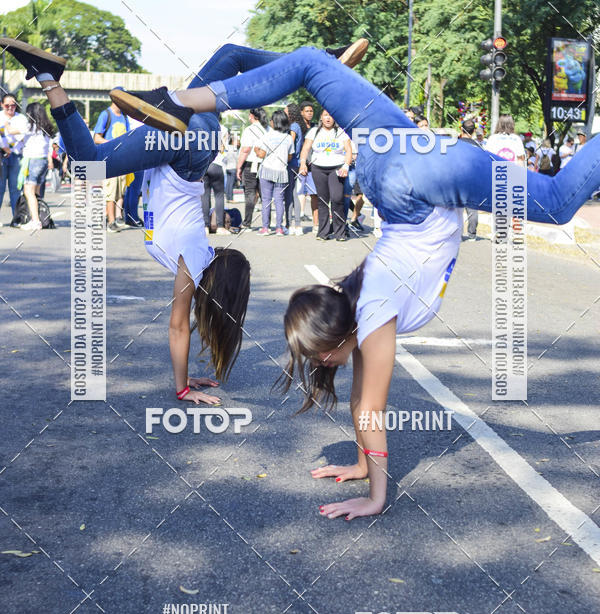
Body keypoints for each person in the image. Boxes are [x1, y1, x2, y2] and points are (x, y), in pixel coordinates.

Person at [108, 42, 600, 521]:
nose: (324, 364)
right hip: (388, 153)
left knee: (555, 203)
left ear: (336, 340)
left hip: (423, 180)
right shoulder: (356, 301)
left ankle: (178, 104)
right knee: (308, 64)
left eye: (321, 357)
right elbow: (364, 399)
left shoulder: (372, 312)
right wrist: (363, 465)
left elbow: (371, 409)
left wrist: (375, 497)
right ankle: (181, 100)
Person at [1, 37, 265, 403]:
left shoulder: (197, 255)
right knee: (88, 162)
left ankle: (316, 63)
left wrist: (187, 372)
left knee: (230, 55)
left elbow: (180, 330)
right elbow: (177, 327)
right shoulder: (194, 260)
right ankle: (52, 78)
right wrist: (183, 388)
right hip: (186, 148)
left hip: (196, 128)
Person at [299, 109, 352, 241]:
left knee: (337, 198)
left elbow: (349, 150)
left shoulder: (341, 132)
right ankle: (323, 232)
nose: (328, 118)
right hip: (319, 168)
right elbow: (305, 149)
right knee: (322, 200)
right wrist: (303, 164)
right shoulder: (314, 131)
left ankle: (340, 232)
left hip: (337, 168)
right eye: (325, 115)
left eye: (331, 116)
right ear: (321, 118)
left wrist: (346, 166)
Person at [93, 92, 131, 232]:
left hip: (122, 159)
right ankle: (111, 222)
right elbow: (97, 138)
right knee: (110, 192)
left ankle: (117, 217)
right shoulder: (106, 115)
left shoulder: (124, 116)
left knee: (120, 191)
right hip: (109, 159)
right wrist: (114, 144)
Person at [256, 108, 294, 236]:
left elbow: (261, 154)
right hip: (281, 172)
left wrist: (256, 150)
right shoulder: (288, 138)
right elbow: (290, 157)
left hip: (267, 170)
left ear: (274, 122)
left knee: (266, 200)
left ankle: (265, 228)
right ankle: (279, 228)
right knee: (279, 200)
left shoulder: (267, 136)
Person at [19, 102, 54, 230]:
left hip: (33, 161)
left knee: (28, 191)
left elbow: (14, 132)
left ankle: (35, 221)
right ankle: (38, 217)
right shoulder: (46, 128)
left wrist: (6, 126)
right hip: (43, 161)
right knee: (37, 192)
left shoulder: (30, 127)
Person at [236, 107, 269, 229]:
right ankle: (267, 223)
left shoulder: (249, 130)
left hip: (250, 164)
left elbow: (245, 150)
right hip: (265, 164)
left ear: (252, 116)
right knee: (264, 194)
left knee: (250, 193)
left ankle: (247, 222)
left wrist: (239, 167)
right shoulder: (267, 129)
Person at [0, 92, 29, 219]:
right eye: (7, 106)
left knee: (15, 188)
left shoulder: (22, 118)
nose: (10, 108)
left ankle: (17, 218)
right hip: (1, 156)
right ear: (2, 105)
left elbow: (23, 137)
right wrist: (4, 147)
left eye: (13, 105)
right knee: (0, 188)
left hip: (17, 156)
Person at [284, 102, 305, 235]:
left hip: (291, 163)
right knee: (293, 193)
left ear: (291, 113)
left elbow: (290, 144)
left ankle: (291, 223)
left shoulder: (293, 126)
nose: (284, 114)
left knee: (290, 194)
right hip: (296, 163)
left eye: (286, 112)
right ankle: (295, 223)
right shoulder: (298, 125)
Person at [459, 118, 480, 240]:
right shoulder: (478, 146)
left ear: (462, 129)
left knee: (458, 210)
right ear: (473, 131)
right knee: (472, 209)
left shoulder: (455, 144)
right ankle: (472, 234)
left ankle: (458, 233)